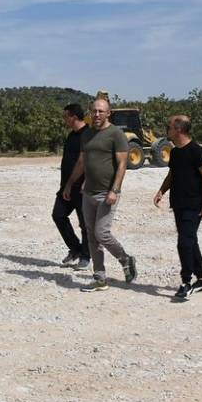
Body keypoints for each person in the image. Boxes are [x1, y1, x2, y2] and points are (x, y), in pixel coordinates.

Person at [63, 97, 137, 292]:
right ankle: (100, 278)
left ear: (108, 113)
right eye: (94, 111)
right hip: (88, 193)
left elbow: (122, 165)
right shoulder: (86, 135)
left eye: (100, 111)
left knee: (101, 233)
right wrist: (70, 184)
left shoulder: (116, 134)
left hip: (107, 193)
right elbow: (82, 162)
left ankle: (125, 259)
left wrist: (115, 190)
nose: (96, 115)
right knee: (91, 238)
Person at [153, 115, 202, 300]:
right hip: (178, 204)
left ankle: (186, 282)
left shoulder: (196, 150)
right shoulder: (176, 152)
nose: (166, 129)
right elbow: (172, 175)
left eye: (168, 126)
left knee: (184, 242)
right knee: (190, 241)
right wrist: (161, 191)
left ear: (178, 129)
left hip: (194, 205)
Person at [53, 103, 90, 269]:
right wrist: (64, 186)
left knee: (85, 224)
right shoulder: (71, 135)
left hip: (82, 188)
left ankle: (86, 256)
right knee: (58, 215)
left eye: (65, 116)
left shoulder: (88, 135)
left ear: (73, 116)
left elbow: (85, 163)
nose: (64, 120)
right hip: (66, 187)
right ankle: (75, 249)